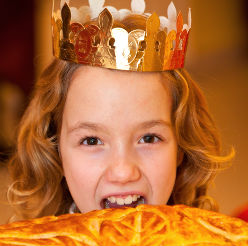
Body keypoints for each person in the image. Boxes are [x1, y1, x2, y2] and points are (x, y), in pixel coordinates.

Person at [7, 0, 233, 221]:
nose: (123, 173)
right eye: (92, 141)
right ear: (55, 151)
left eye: (148, 138)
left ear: (181, 148)